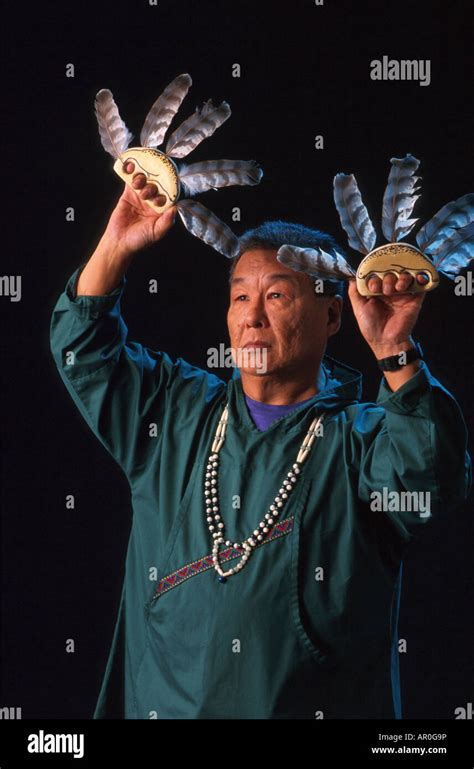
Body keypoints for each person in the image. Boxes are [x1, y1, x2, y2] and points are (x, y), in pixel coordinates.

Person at [49, 172, 471, 719]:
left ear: (332, 314)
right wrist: (117, 240)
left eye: (276, 295)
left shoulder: (362, 442)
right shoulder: (175, 414)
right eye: (240, 296)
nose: (251, 316)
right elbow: (83, 347)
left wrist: (395, 351)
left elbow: (431, 479)